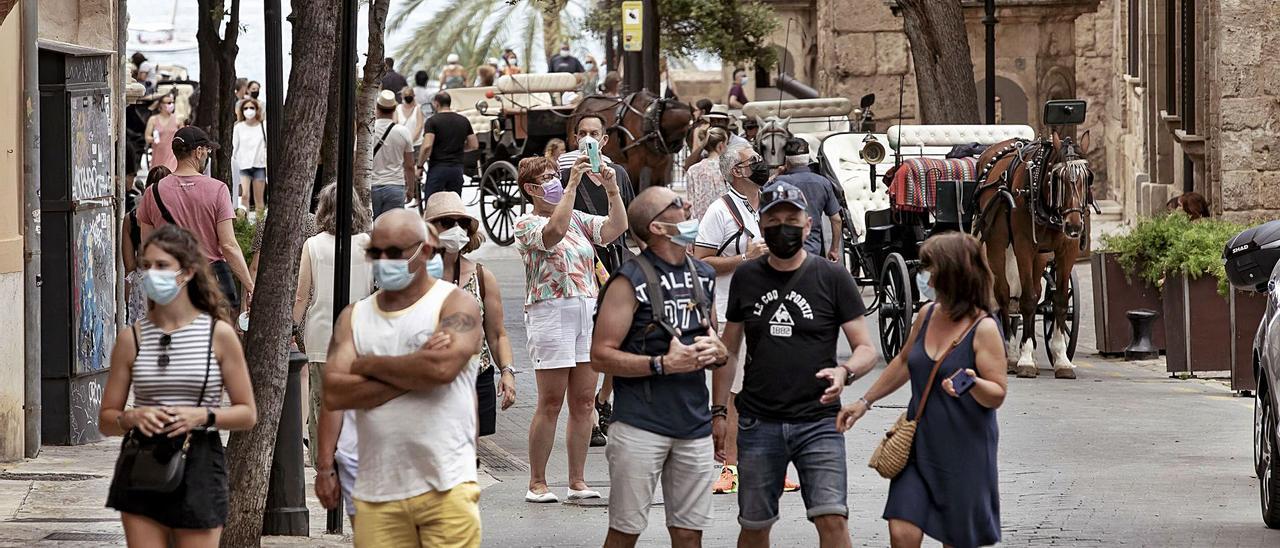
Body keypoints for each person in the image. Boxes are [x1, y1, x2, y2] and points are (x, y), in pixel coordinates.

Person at [722, 182, 878, 548]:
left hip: (820, 420)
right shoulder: (747, 277)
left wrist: (845, 371)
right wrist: (717, 411)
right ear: (761, 226)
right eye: (774, 220)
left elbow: (866, 348)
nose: (783, 227)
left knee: (832, 518)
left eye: (791, 219)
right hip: (759, 421)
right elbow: (729, 350)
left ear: (808, 225)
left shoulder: (832, 276)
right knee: (755, 523)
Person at [324, 209, 485, 547]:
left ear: (425, 250)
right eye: (375, 253)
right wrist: (417, 368)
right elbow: (336, 393)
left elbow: (441, 370)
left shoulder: (456, 304)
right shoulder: (354, 316)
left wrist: (367, 364)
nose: (384, 261)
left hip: (447, 485)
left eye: (395, 253)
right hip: (377, 491)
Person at [837, 232, 1006, 548]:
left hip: (965, 451)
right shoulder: (926, 315)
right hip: (919, 443)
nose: (923, 276)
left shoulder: (983, 328)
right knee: (902, 532)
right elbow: (903, 362)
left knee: (957, 541)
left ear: (953, 273)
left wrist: (971, 383)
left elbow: (997, 392)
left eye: (930, 267)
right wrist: (864, 401)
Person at [99, 225, 257, 545]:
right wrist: (131, 418)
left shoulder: (218, 335)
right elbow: (106, 419)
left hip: (199, 462)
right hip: (143, 461)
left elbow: (247, 413)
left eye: (161, 266)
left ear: (186, 273)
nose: (150, 274)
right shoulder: (132, 339)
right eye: (146, 266)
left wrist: (201, 416)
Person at [590, 186, 729, 547]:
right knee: (625, 531)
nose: (687, 206)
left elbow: (711, 339)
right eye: (677, 204)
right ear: (657, 226)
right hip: (640, 425)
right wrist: (660, 364)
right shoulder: (628, 280)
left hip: (694, 424)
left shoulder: (703, 275)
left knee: (688, 534)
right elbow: (600, 356)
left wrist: (719, 355)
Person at [514, 155, 627, 502]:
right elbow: (553, 233)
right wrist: (573, 186)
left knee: (583, 401)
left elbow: (615, 228)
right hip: (551, 310)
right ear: (531, 189)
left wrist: (611, 189)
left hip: (586, 309)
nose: (555, 181)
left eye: (555, 175)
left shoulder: (576, 218)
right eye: (546, 178)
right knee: (551, 400)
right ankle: (537, 482)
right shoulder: (525, 223)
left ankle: (577, 481)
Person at [692, 142, 770, 494]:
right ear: (737, 171)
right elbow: (701, 260)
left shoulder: (767, 203)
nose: (761, 163)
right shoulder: (719, 212)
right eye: (753, 160)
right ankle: (732, 467)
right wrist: (744, 259)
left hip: (767, 309)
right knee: (735, 392)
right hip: (731, 311)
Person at [425, 192, 518, 440]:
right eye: (446, 222)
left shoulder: (481, 276)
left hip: (475, 378)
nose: (455, 229)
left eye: (461, 223)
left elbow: (497, 334)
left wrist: (507, 372)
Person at [294, 182, 373, 469]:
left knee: (322, 406)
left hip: (321, 337)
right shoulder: (368, 243)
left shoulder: (313, 245)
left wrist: (292, 329)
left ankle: (323, 464)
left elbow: (302, 296)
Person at [137, 126, 255, 311]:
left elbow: (147, 246)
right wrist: (250, 287)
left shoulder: (153, 192)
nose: (207, 156)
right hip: (208, 284)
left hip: (170, 286)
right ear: (198, 152)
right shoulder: (218, 190)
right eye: (207, 151)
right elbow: (229, 245)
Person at [767, 138, 843, 260]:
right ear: (808, 159)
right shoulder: (823, 183)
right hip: (813, 250)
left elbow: (758, 195)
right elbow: (836, 220)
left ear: (786, 161)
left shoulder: (778, 183)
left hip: (783, 251)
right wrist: (834, 250)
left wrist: (776, 173)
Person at [123, 165, 173, 324]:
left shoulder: (130, 219)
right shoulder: (177, 216)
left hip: (142, 285)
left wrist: (128, 299)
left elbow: (129, 266)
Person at [417, 91, 478, 202]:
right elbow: (474, 145)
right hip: (457, 169)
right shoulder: (463, 120)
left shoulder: (432, 121)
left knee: (433, 206)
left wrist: (420, 166)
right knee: (453, 206)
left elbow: (427, 146)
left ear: (436, 104)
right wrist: (459, 147)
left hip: (438, 168)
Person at [370, 89, 417, 217]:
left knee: (370, 230)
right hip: (395, 186)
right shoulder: (403, 132)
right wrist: (411, 190)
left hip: (371, 186)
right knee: (393, 230)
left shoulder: (368, 132)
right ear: (394, 109)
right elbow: (409, 166)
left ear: (377, 108)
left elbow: (355, 161)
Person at [232, 97, 269, 219]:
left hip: (259, 165)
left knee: (259, 199)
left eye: (252, 108)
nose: (249, 110)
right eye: (246, 108)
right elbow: (234, 147)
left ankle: (259, 226)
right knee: (244, 196)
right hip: (243, 166)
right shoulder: (238, 127)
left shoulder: (263, 126)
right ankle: (243, 224)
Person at [686, 128, 732, 218]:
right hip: (723, 221)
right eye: (726, 144)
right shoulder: (728, 168)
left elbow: (690, 201)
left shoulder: (693, 170)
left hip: (700, 224)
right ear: (721, 145)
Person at [144, 92, 180, 171]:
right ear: (161, 105)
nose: (171, 105)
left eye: (172, 102)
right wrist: (154, 139)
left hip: (172, 155)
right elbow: (147, 137)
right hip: (158, 154)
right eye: (169, 103)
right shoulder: (153, 120)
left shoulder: (177, 119)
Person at [395, 86, 427, 158]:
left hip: (416, 145)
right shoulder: (398, 108)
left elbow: (419, 127)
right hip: (401, 146)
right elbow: (395, 125)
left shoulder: (418, 108)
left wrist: (409, 143)